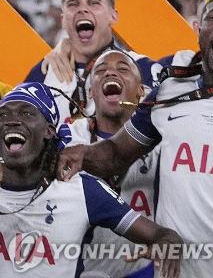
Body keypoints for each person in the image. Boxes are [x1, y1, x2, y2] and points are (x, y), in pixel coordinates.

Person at [0, 82, 182, 278]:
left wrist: (165, 245)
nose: (12, 120)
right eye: (3, 115)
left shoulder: (82, 191)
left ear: (49, 130)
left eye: (27, 113)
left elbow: (164, 236)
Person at [58, 0, 213, 278]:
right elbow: (117, 154)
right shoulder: (170, 90)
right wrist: (83, 154)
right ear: (199, 30)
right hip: (177, 268)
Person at [62, 50, 158, 278]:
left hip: (148, 270)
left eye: (123, 69)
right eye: (101, 71)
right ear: (91, 92)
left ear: (141, 91)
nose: (110, 73)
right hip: (87, 271)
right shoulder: (69, 138)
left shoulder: (162, 138)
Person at [25, 0, 157, 124]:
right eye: (73, 5)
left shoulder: (143, 69)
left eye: (94, 3)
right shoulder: (42, 74)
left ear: (113, 16)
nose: (82, 9)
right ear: (63, 20)